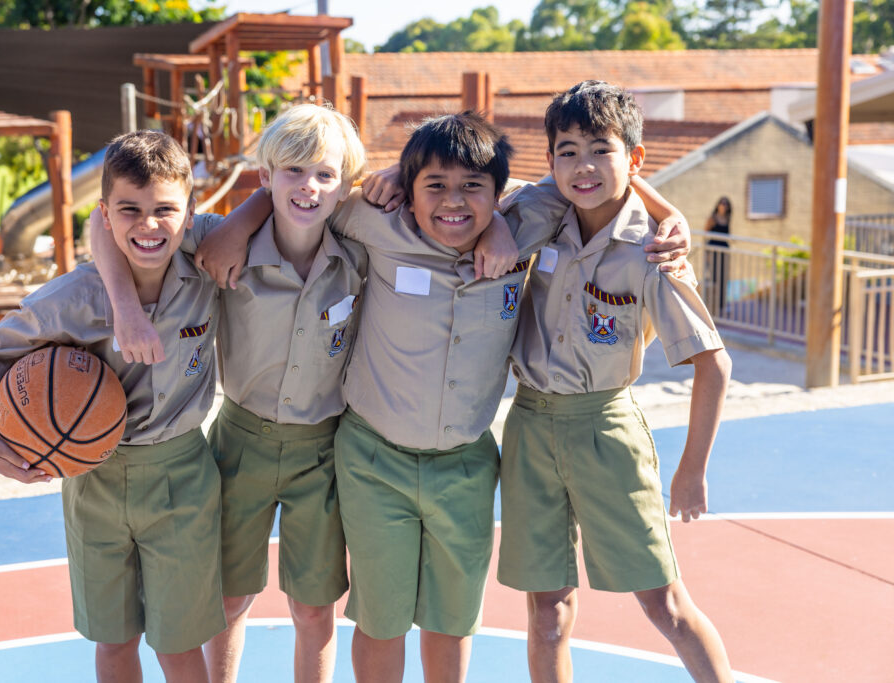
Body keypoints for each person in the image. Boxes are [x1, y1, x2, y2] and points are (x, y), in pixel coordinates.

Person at [194, 111, 691, 683]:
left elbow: (589, 176)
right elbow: (309, 194)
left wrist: (665, 211)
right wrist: (243, 216)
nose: (454, 201)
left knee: (450, 623)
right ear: (408, 191)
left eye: (474, 189)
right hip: (372, 459)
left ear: (500, 195)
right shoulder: (373, 222)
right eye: (434, 186)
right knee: (378, 621)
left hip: (466, 465)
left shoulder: (529, 221)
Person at [90, 104, 368, 683]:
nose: (309, 186)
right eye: (290, 171)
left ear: (346, 186)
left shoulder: (361, 245)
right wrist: (124, 310)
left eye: (324, 174)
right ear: (264, 178)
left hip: (323, 450)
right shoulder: (214, 239)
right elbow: (103, 222)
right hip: (239, 443)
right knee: (227, 600)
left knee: (314, 608)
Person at [0, 130, 225, 683]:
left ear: (192, 211)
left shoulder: (205, 262)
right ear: (105, 214)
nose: (149, 224)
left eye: (165, 211)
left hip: (181, 474)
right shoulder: (74, 297)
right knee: (113, 642)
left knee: (179, 647)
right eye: (129, 210)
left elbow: (263, 213)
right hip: (92, 478)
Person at [497, 80, 734, 683]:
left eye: (600, 149)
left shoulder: (652, 250)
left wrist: (692, 468)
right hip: (529, 429)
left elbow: (714, 363)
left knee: (665, 605)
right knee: (547, 612)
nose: (582, 166)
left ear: (633, 159)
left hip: (606, 430)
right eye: (567, 151)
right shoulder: (541, 214)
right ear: (550, 162)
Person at [705, 196, 731, 315]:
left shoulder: (727, 218)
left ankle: (722, 305)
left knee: (723, 278)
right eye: (722, 203)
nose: (724, 206)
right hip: (713, 250)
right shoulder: (713, 218)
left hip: (724, 251)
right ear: (718, 205)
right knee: (715, 277)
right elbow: (705, 234)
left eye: (726, 204)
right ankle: (713, 305)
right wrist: (707, 254)